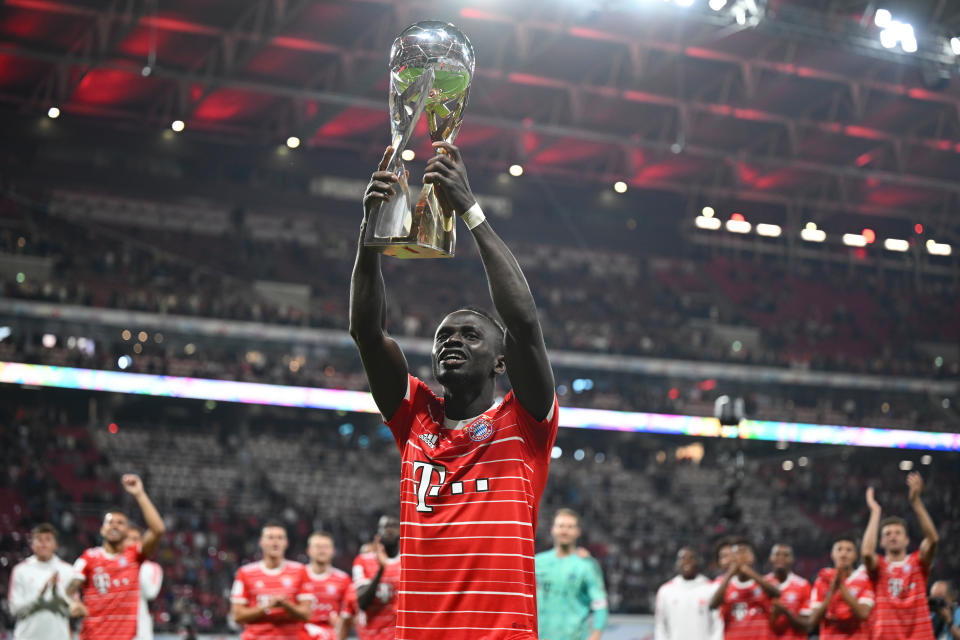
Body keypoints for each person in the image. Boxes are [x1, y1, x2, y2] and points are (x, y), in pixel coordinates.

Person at [350, 141, 558, 640]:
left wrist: (469, 207)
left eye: (470, 335)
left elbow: (523, 322)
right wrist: (369, 236)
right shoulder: (414, 416)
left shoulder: (525, 421)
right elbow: (367, 332)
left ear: (500, 360)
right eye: (444, 336)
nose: (453, 342)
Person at [67, 474, 166, 640]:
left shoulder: (135, 556)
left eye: (120, 523)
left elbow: (158, 530)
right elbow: (70, 588)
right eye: (110, 522)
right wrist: (73, 603)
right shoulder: (88, 558)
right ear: (102, 529)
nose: (114, 525)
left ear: (127, 532)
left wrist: (139, 494)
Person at [862, 472, 938, 640]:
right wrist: (875, 512)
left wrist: (916, 502)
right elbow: (867, 553)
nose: (893, 536)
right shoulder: (879, 566)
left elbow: (932, 540)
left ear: (907, 540)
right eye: (887, 534)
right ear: (881, 542)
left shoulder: (918, 562)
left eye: (898, 533)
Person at [535, 509, 609, 640]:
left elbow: (600, 603)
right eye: (561, 526)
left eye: (570, 527)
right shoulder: (537, 562)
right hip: (541, 636)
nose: (564, 531)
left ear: (577, 532)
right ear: (553, 529)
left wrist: (596, 634)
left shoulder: (587, 565)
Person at [230, 522, 311, 640]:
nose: (275, 542)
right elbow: (237, 616)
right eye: (270, 538)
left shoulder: (300, 571)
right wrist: (268, 605)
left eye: (280, 538)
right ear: (261, 542)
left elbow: (306, 614)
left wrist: (286, 605)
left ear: (286, 543)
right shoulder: (244, 573)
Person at [8, 523, 85, 640]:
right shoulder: (20, 570)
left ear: (56, 545)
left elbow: (73, 609)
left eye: (48, 539)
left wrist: (56, 596)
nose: (43, 543)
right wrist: (39, 599)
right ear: (32, 544)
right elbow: (15, 610)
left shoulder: (68, 571)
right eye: (39, 539)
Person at [709, 537, 781, 640]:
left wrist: (748, 572)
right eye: (737, 553)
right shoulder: (723, 583)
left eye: (744, 552)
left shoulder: (767, 581)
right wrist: (731, 573)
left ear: (752, 557)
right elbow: (713, 604)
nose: (740, 556)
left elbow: (777, 593)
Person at [806, 535, 874, 640]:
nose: (843, 553)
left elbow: (863, 613)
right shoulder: (822, 580)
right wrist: (831, 592)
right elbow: (813, 621)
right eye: (839, 549)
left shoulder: (865, 579)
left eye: (849, 550)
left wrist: (841, 587)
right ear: (832, 554)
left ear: (856, 556)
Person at [654, 547, 719, 640]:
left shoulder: (710, 588)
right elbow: (660, 625)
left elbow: (717, 623)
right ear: (677, 563)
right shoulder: (666, 591)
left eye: (691, 558)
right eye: (683, 558)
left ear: (697, 562)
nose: (687, 561)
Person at [351, 516, 400, 640]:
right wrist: (381, 570)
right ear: (378, 533)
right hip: (373, 636)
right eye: (385, 527)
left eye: (393, 526)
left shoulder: (410, 561)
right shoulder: (363, 561)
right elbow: (362, 603)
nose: (389, 530)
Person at [300, 531, 354, 640]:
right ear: (309, 550)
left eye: (326, 546)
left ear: (333, 551)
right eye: (317, 546)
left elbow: (352, 615)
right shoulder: (298, 576)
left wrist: (342, 622)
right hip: (302, 633)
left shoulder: (343, 579)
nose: (322, 550)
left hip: (332, 634)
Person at [765, 543, 811, 639]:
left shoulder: (803, 585)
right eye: (777, 554)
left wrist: (785, 612)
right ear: (770, 558)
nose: (781, 558)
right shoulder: (762, 584)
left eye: (786, 555)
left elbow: (807, 625)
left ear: (792, 559)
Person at [125, 527, 163, 640]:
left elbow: (150, 593)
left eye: (135, 539)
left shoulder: (152, 568)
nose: (131, 542)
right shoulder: (112, 564)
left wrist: (135, 564)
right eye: (128, 539)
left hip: (140, 630)